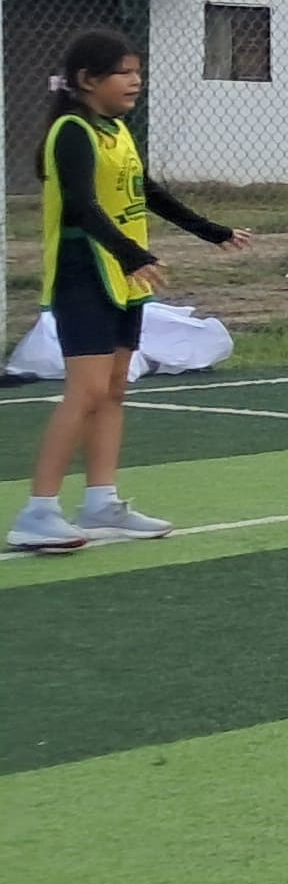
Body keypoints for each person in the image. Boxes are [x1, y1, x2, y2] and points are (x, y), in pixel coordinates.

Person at [16, 28, 251, 550]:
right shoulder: (72, 131)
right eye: (123, 73)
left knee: (115, 389)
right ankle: (37, 511)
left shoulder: (117, 130)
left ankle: (101, 502)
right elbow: (80, 206)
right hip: (83, 273)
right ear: (87, 79)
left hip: (124, 278)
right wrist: (131, 254)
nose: (135, 81)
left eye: (137, 72)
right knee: (86, 392)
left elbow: (148, 192)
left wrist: (211, 231)